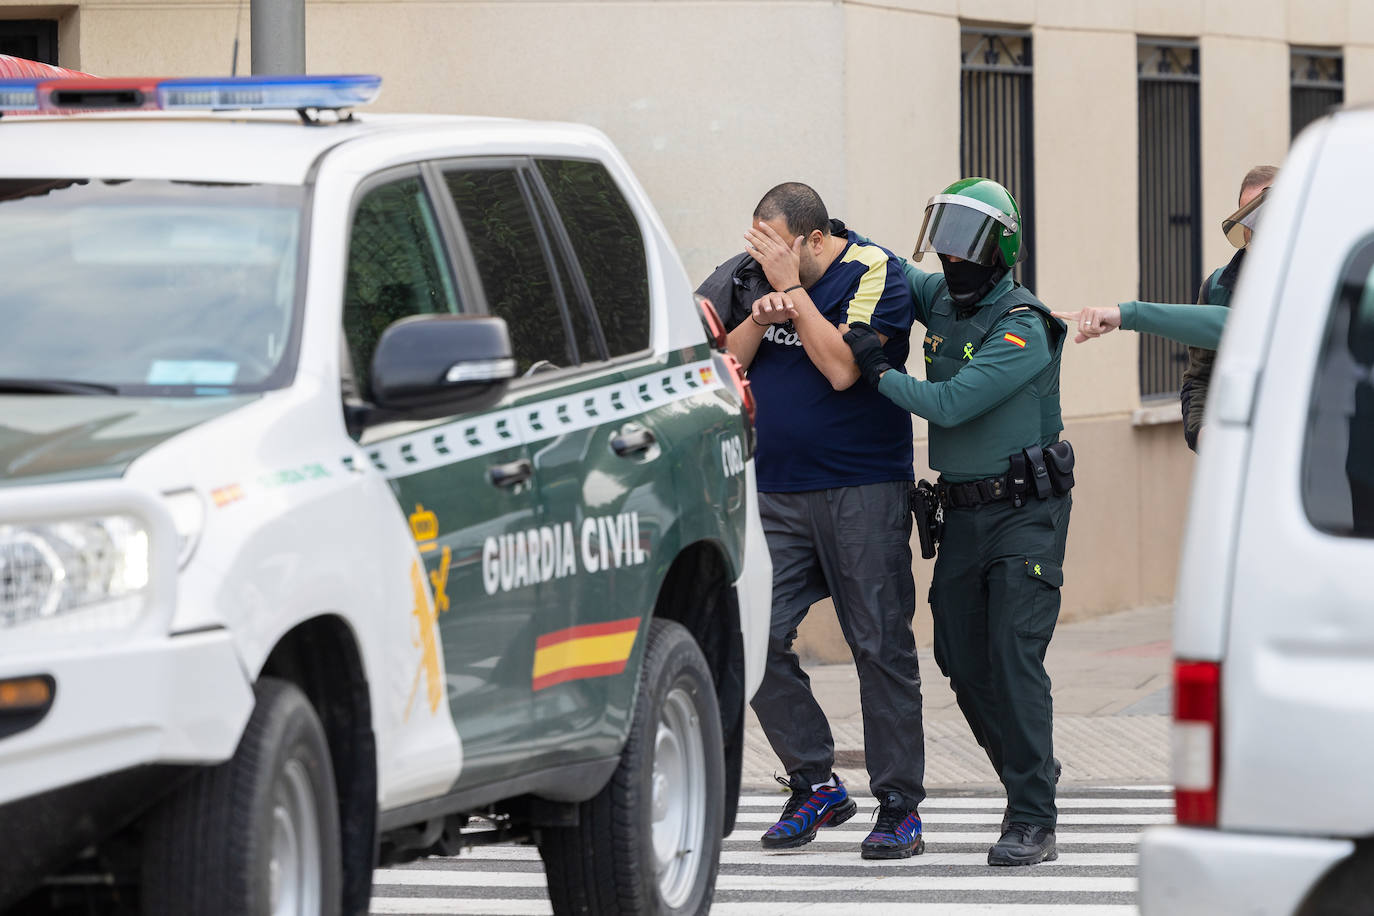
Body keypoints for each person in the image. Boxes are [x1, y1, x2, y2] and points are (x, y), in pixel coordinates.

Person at [843, 177, 1072, 867]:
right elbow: (892, 267)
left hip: (1026, 515)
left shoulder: (1023, 325)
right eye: (944, 239)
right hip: (965, 513)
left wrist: (876, 370)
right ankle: (1030, 773)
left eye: (966, 242)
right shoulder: (939, 295)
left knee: (1012, 652)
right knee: (962, 660)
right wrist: (840, 237)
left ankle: (1033, 816)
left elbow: (948, 404)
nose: (952, 257)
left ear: (1000, 248)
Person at [727, 182, 928, 860]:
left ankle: (899, 805)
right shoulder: (749, 274)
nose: (760, 257)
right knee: (748, 634)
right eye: (755, 242)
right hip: (774, 491)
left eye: (774, 244)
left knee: (878, 644)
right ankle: (814, 781)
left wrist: (798, 296)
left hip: (861, 488)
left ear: (812, 238)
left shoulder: (876, 271)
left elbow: (845, 370)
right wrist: (757, 315)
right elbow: (719, 368)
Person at [1055, 176, 1276, 356]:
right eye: (1247, 219)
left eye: (1263, 213)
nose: (1254, 227)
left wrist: (1127, 314)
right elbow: (1199, 379)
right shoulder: (1219, 286)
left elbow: (1238, 326)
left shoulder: (1306, 282)